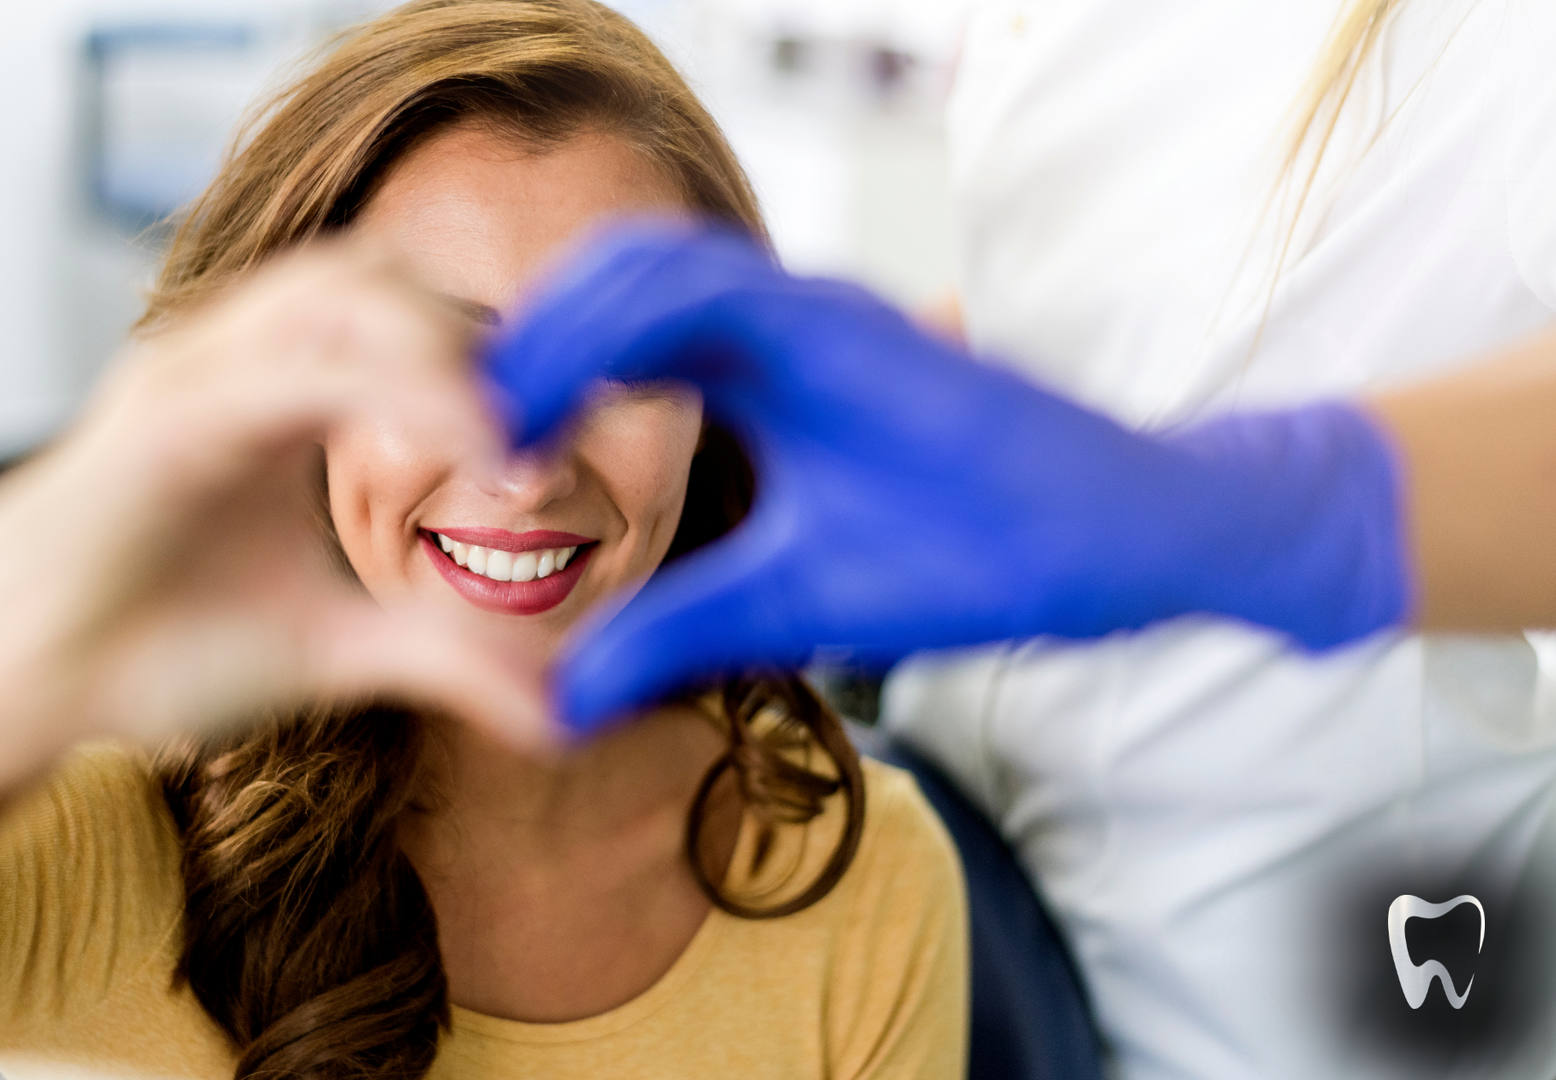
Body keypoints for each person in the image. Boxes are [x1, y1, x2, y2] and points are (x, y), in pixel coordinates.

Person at [0, 4, 967, 1079]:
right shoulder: (119, 838)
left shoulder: (847, 867)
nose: (523, 460)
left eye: (621, 361)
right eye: (440, 350)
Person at [482, 0, 1556, 1076]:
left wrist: (1229, 508)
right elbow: (1118, 301)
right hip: (993, 871)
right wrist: (846, 404)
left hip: (1325, 962)